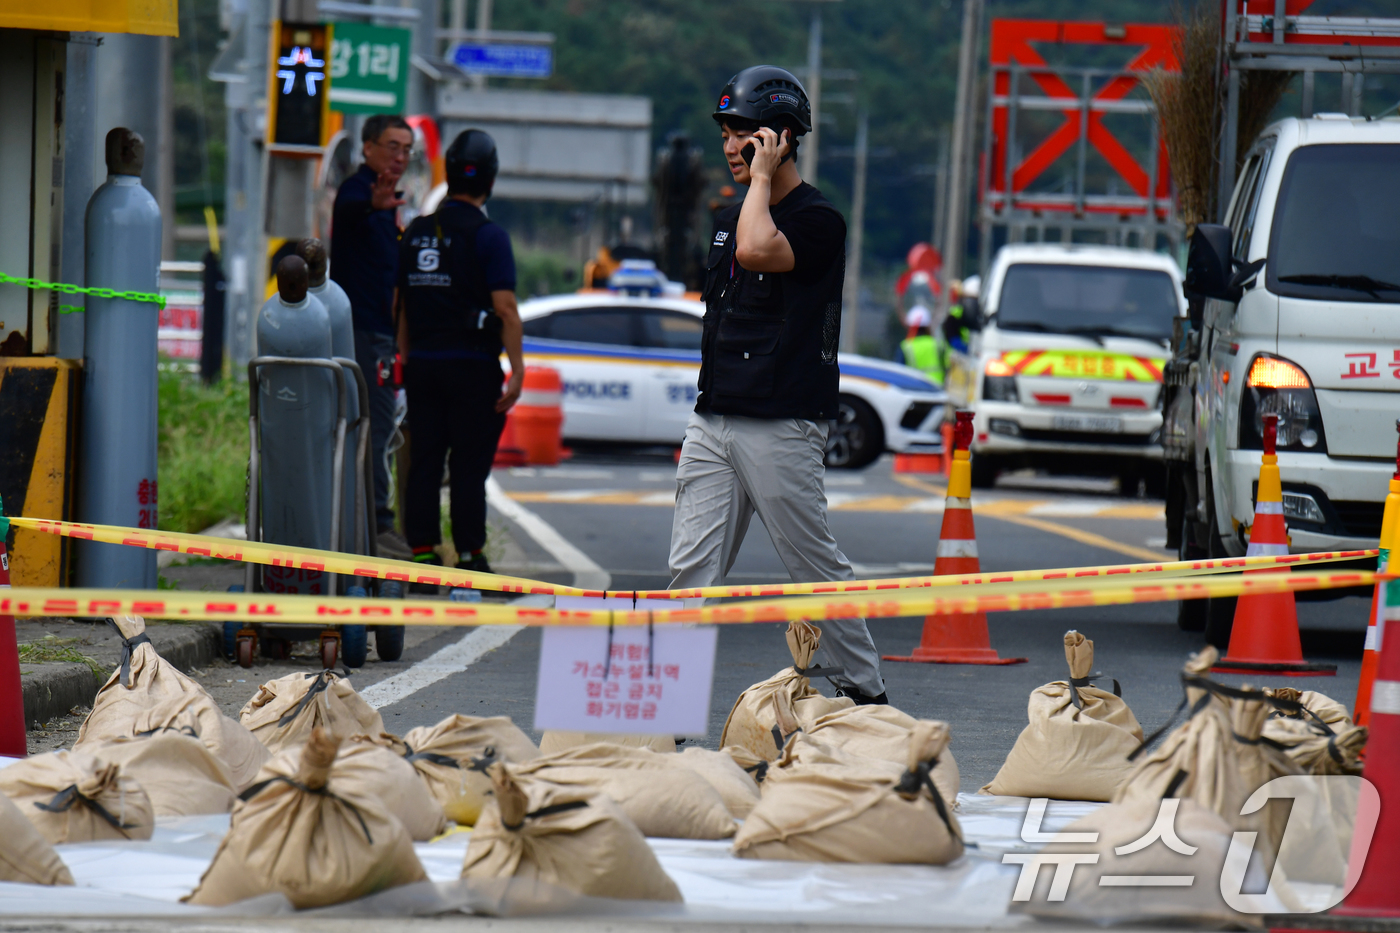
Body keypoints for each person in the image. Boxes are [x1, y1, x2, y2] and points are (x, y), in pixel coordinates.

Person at [668, 65, 888, 705]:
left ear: (783, 138)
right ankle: (662, 709)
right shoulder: (730, 216)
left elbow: (759, 252)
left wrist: (762, 180)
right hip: (714, 418)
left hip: (782, 421)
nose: (731, 146)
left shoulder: (819, 220)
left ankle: (865, 694)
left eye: (745, 133)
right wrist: (754, 191)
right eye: (726, 134)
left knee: (811, 566)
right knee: (689, 571)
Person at [395, 129, 523, 582]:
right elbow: (505, 309)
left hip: (423, 366)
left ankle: (423, 553)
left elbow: (401, 306)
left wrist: (407, 361)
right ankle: (470, 555)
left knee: (425, 461)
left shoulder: (416, 233)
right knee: (468, 465)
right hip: (473, 367)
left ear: (448, 175)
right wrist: (517, 371)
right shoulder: (490, 237)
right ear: (490, 179)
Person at [331, 114, 414, 561]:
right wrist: (371, 205)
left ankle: (369, 520)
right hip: (362, 333)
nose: (400, 157)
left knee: (375, 426)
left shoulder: (388, 205)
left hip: (381, 335)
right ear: (367, 147)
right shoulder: (358, 191)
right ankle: (376, 524)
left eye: (407, 149)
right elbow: (348, 210)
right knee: (374, 425)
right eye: (392, 146)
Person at [897, 304, 944, 385]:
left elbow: (898, 374)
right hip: (937, 389)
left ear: (910, 327)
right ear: (928, 326)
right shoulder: (938, 344)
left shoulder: (905, 347)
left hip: (913, 389)